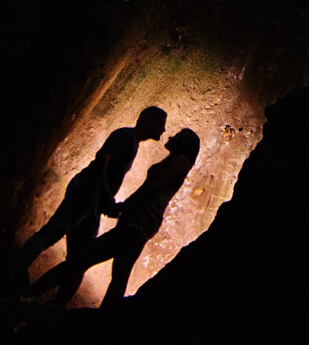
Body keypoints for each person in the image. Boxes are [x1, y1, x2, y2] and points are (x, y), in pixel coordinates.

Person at [27, 128, 200, 307]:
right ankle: (103, 322)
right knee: (118, 275)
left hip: (136, 225)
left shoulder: (181, 161)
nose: (170, 136)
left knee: (81, 260)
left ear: (184, 144)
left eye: (177, 137)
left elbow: (153, 187)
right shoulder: (177, 161)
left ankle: (30, 295)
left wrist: (124, 206)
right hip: (139, 227)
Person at [17, 106, 168, 291]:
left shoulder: (132, 141)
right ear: (148, 121)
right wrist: (105, 195)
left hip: (92, 196)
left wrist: (104, 199)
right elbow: (102, 160)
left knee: (78, 255)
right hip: (88, 191)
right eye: (160, 124)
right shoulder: (125, 136)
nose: (163, 130)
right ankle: (16, 272)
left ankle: (50, 300)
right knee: (54, 234)